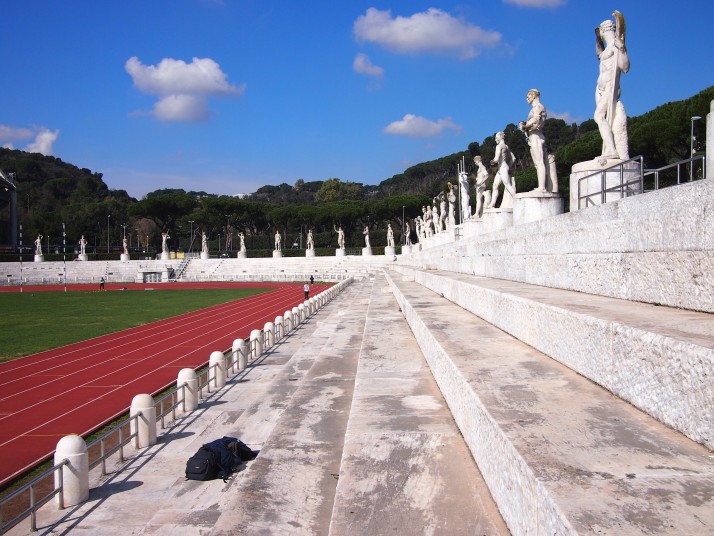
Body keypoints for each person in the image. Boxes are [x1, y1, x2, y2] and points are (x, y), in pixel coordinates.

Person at [594, 11, 630, 160]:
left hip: (610, 87)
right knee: (605, 119)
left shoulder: (616, 45)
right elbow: (598, 51)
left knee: (598, 117)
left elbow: (625, 67)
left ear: (604, 30)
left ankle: (611, 150)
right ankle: (608, 148)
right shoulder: (605, 51)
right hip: (600, 89)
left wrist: (622, 48)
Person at [519, 89, 550, 192]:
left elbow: (536, 120)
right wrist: (525, 128)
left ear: (534, 96)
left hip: (536, 136)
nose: (527, 98)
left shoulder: (538, 107)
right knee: (537, 163)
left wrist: (525, 125)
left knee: (540, 162)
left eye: (528, 96)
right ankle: (541, 185)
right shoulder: (535, 108)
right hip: (533, 136)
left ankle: (542, 187)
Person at [488, 132, 517, 208]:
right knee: (495, 186)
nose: (495, 139)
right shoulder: (506, 146)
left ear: (500, 137)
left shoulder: (499, 146)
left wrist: (492, 162)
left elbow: (496, 159)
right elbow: (513, 158)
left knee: (507, 185)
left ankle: (518, 200)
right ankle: (492, 204)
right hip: (502, 169)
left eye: (496, 137)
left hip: (502, 168)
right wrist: (508, 166)